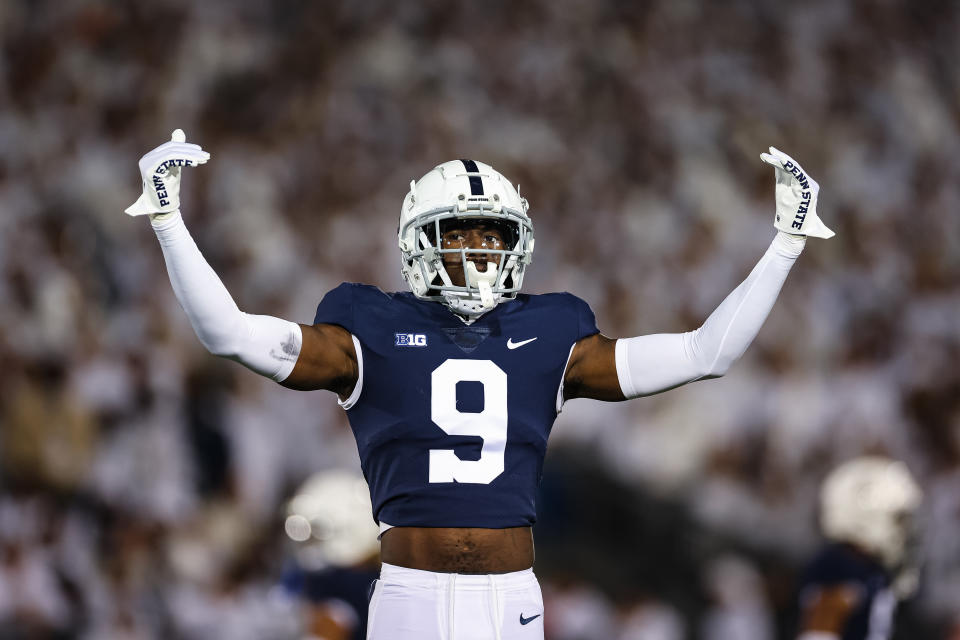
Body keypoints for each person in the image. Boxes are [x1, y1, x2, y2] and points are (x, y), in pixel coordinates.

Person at [126, 129, 834, 640]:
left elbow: (704, 353)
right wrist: (167, 219)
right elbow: (227, 334)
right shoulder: (366, 327)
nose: (480, 251)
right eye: (461, 233)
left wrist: (785, 244)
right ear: (421, 241)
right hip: (412, 594)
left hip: (512, 600)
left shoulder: (555, 333)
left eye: (494, 235)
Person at [794, 456, 923, 640]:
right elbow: (819, 631)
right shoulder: (837, 565)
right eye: (897, 519)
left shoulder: (874, 568)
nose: (903, 530)